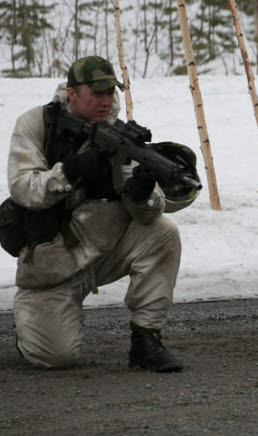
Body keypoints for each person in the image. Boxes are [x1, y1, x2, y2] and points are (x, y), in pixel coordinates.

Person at [7, 56, 199, 371]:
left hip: (104, 251)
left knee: (163, 232)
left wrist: (141, 192)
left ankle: (146, 339)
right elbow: (23, 188)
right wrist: (69, 172)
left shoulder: (119, 136)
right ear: (71, 93)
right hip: (51, 264)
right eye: (97, 94)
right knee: (55, 357)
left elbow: (145, 215)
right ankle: (28, 328)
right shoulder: (36, 124)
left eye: (110, 93)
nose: (106, 101)